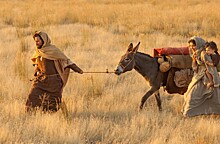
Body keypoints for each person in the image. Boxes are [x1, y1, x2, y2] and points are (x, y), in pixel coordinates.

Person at [26, 31, 83, 112]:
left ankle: (51, 115)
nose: (36, 43)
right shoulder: (38, 52)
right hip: (40, 80)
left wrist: (78, 70)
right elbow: (37, 65)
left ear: (44, 40)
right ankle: (30, 115)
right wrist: (35, 73)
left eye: (38, 41)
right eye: (35, 41)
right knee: (33, 96)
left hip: (53, 81)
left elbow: (67, 61)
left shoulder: (53, 51)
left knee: (53, 101)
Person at [182, 36, 220, 117]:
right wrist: (194, 60)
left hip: (206, 77)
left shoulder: (203, 54)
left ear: (198, 45)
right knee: (190, 95)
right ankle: (188, 114)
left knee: (194, 96)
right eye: (190, 45)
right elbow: (195, 68)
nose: (192, 47)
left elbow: (211, 68)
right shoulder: (195, 53)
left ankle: (188, 113)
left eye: (193, 45)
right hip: (197, 76)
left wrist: (213, 81)